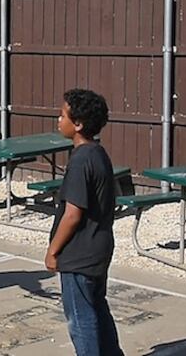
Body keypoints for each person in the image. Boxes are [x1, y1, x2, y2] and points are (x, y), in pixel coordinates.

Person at [45, 88, 124, 356]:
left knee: (81, 320)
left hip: (79, 256)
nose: (59, 119)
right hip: (98, 249)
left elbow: (72, 213)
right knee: (97, 308)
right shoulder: (98, 154)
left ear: (77, 124)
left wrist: (53, 250)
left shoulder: (81, 161)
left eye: (63, 115)